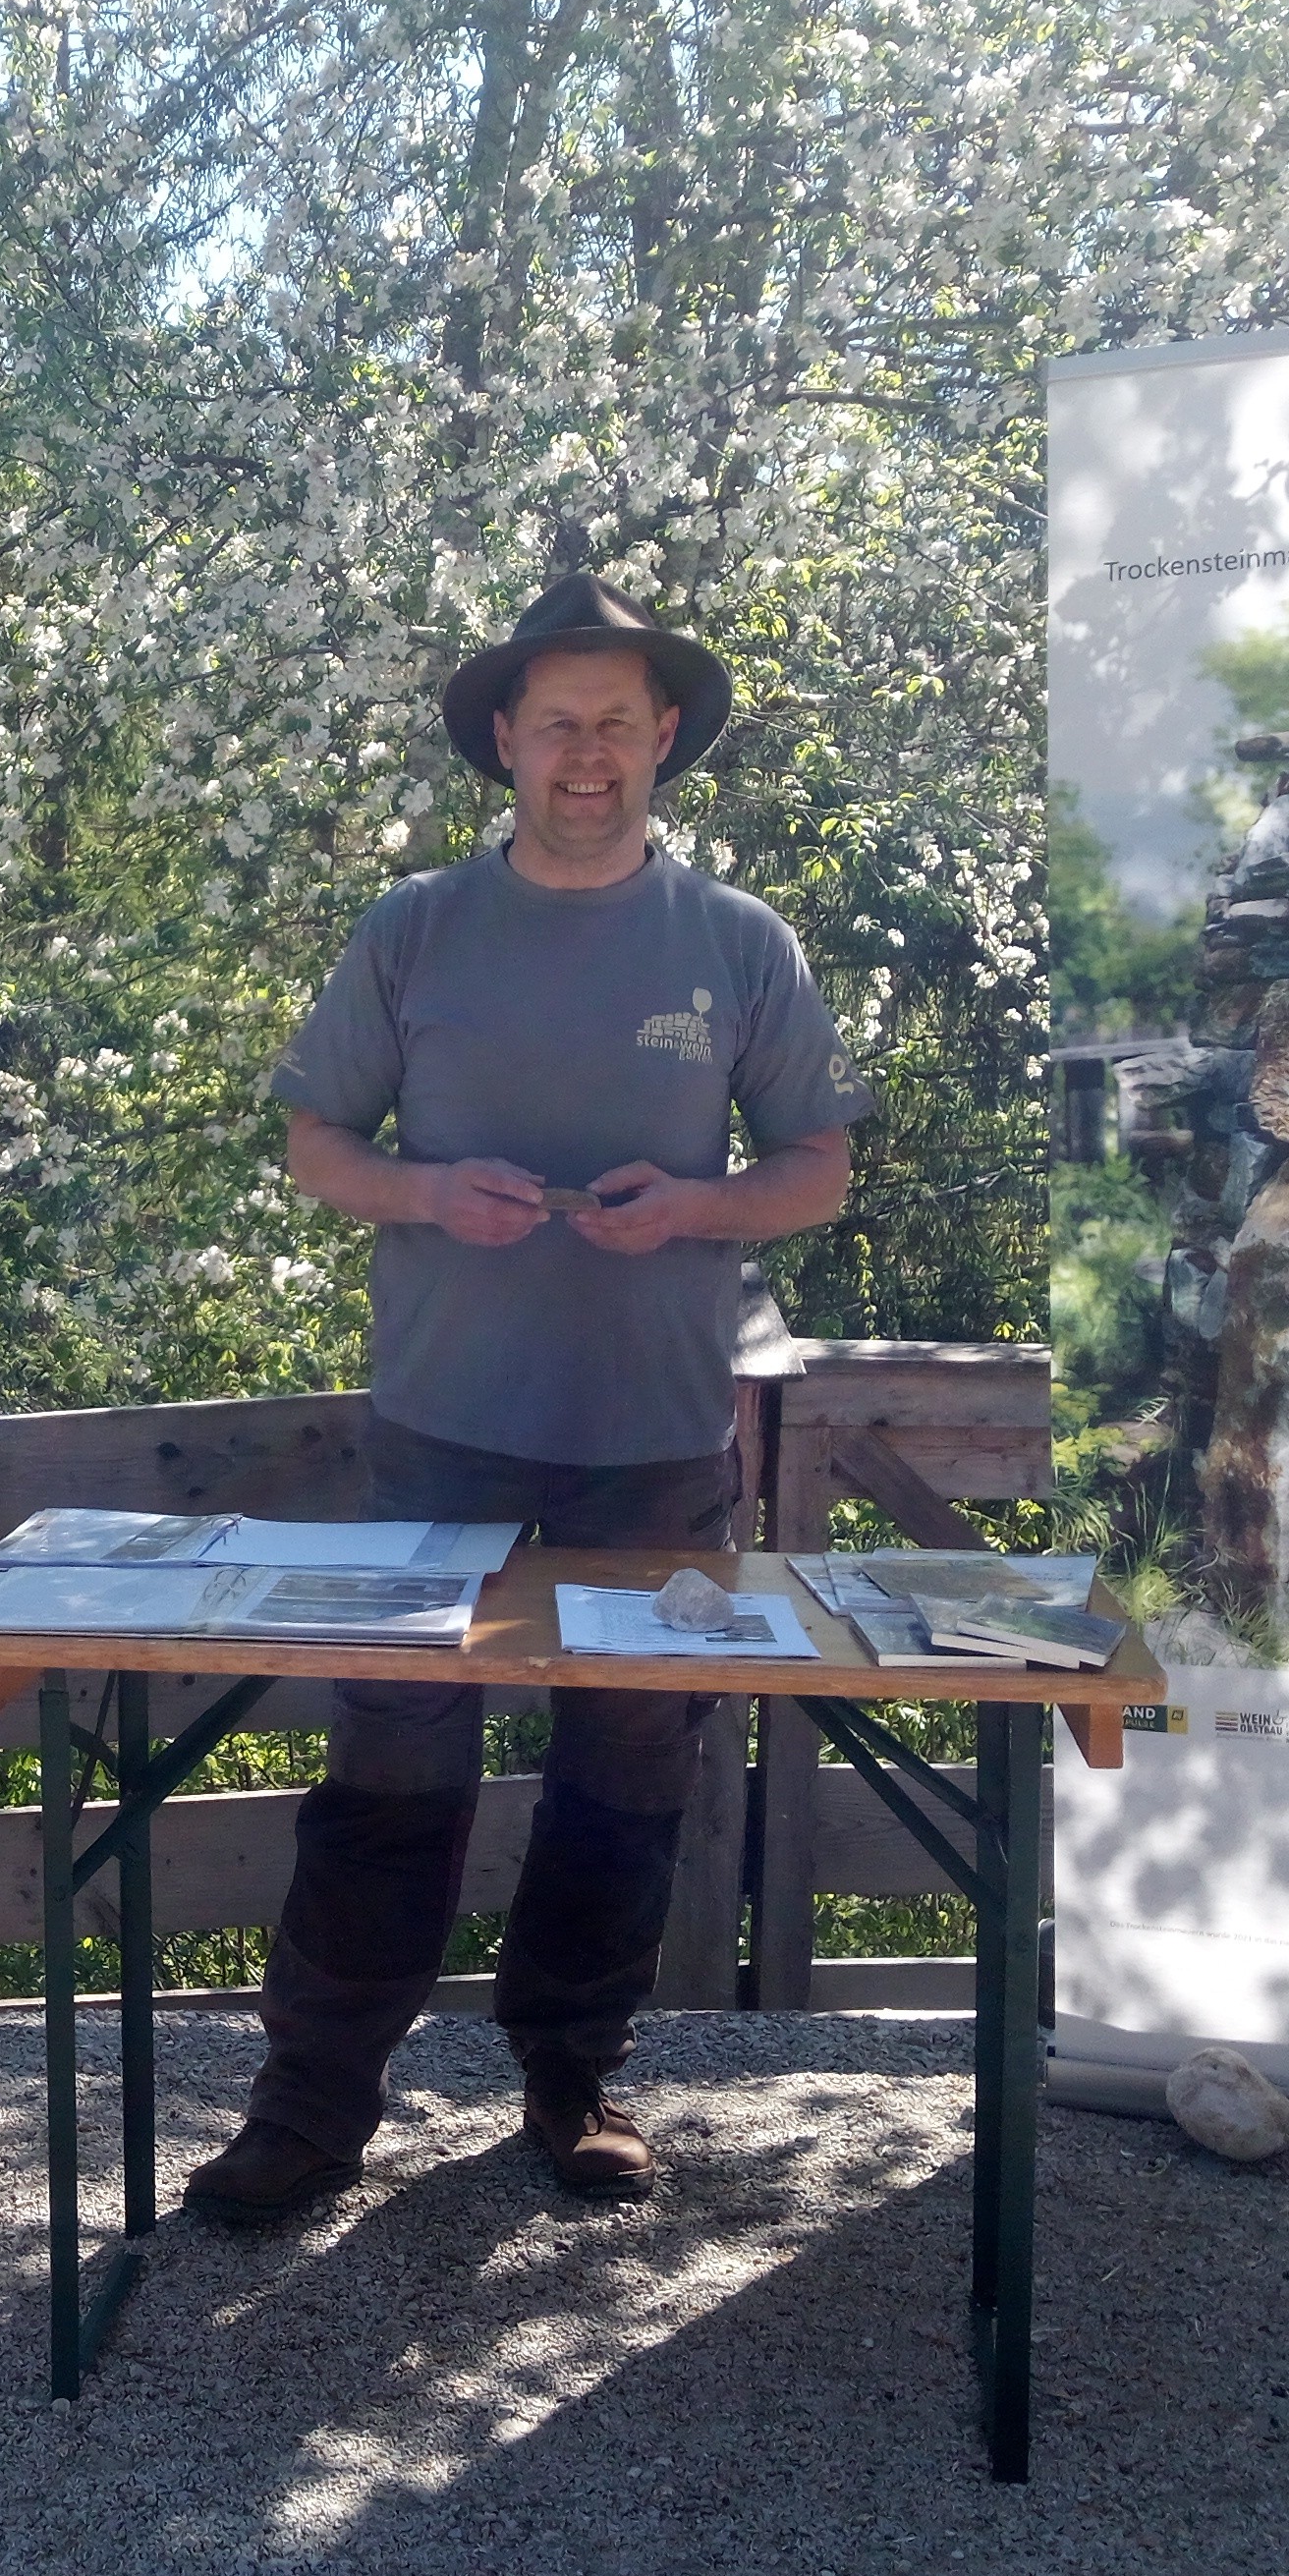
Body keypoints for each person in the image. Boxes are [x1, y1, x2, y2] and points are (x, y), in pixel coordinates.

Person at [183, 573, 868, 2223]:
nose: (585, 753)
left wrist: (697, 1206)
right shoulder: (411, 926)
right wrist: (425, 1195)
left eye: (615, 724)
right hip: (439, 1429)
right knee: (393, 1760)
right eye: (554, 721)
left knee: (629, 1765)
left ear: (665, 740)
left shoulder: (738, 945)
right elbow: (314, 1147)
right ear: (504, 740)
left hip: (653, 1443)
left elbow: (819, 1171)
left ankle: (575, 2079)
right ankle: (314, 2107)